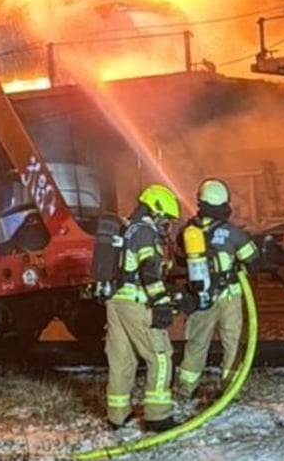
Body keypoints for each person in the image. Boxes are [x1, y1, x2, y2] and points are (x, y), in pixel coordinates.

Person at [105, 183, 181, 432]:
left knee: (121, 359)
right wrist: (160, 302)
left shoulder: (127, 229)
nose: (167, 225)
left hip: (116, 302)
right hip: (137, 302)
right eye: (166, 219)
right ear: (156, 211)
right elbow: (149, 269)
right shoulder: (145, 232)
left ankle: (118, 415)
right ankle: (158, 417)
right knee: (159, 356)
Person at [175, 178, 259, 400]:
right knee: (232, 342)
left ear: (200, 202)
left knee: (196, 344)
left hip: (200, 297)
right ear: (225, 205)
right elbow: (253, 259)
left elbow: (180, 258)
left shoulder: (188, 231)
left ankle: (185, 389)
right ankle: (231, 388)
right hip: (229, 296)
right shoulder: (232, 232)